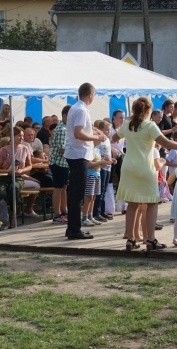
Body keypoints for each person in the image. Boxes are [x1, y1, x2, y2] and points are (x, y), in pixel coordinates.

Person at [113, 97, 177, 251]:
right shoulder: (150, 126)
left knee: (132, 203)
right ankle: (150, 240)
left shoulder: (128, 124)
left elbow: (114, 137)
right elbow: (166, 143)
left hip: (128, 167)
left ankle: (130, 239)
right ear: (148, 111)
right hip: (145, 167)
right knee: (151, 203)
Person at [64, 83, 109, 240]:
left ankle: (72, 228)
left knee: (75, 194)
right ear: (90, 95)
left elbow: (80, 130)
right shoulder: (81, 110)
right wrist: (97, 137)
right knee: (77, 194)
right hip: (79, 154)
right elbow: (78, 133)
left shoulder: (75, 108)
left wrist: (94, 131)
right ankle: (75, 230)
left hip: (76, 153)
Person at [48, 105, 71, 223]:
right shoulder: (62, 130)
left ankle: (64, 211)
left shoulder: (64, 128)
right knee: (58, 188)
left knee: (63, 187)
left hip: (63, 163)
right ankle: (57, 214)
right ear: (65, 116)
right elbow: (62, 149)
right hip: (58, 162)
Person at [91, 120, 114, 223]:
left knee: (104, 190)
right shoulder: (99, 141)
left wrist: (111, 159)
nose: (108, 132)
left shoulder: (107, 140)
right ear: (101, 130)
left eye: (109, 130)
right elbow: (97, 153)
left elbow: (108, 153)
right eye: (107, 130)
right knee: (100, 190)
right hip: (101, 167)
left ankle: (102, 211)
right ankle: (96, 212)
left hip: (108, 166)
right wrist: (103, 161)